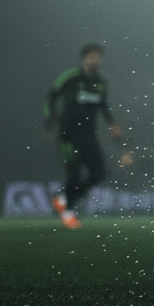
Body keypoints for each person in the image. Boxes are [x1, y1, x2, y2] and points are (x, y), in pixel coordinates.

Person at [44, 44, 124, 229]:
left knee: (99, 173)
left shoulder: (101, 81)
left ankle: (63, 198)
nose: (95, 60)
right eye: (92, 56)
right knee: (74, 174)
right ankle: (68, 212)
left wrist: (112, 124)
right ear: (84, 58)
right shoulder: (70, 77)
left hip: (89, 136)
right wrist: (50, 123)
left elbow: (103, 104)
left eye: (98, 56)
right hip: (68, 136)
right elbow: (51, 97)